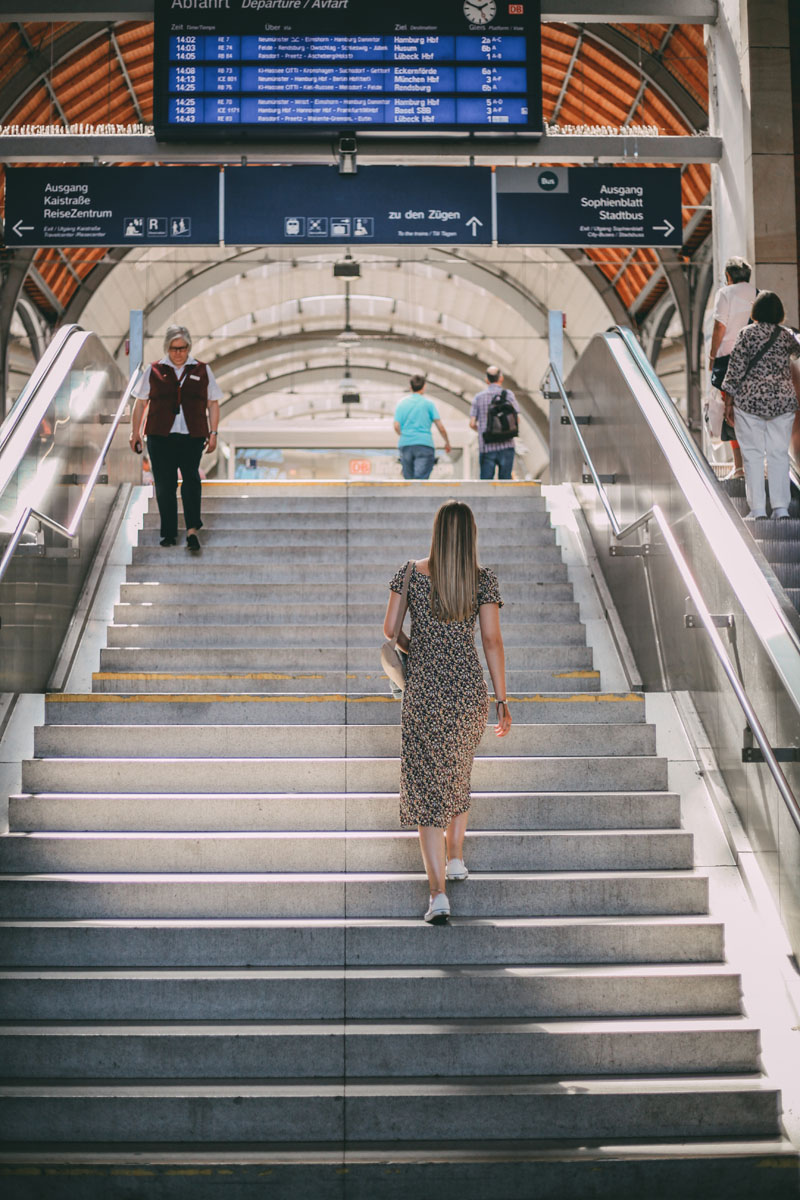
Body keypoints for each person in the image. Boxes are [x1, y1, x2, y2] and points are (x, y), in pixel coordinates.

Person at [384, 501, 512, 925]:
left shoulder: (409, 573)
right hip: (467, 691)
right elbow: (492, 641)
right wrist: (501, 700)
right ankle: (455, 856)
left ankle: (438, 894)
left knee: (426, 791)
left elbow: (389, 630)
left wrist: (412, 647)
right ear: (470, 534)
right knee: (458, 770)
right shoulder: (482, 580)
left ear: (437, 531)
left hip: (424, 691)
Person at [129, 325, 222, 551]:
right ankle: (169, 533)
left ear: (189, 347)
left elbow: (213, 403)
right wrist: (135, 432)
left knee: (191, 479)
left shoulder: (202, 370)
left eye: (182, 348)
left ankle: (192, 530)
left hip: (192, 435)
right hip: (160, 436)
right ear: (167, 348)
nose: (178, 353)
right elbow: (140, 403)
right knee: (164, 485)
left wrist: (213, 433)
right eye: (173, 348)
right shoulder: (154, 370)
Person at [721, 291, 800, 520]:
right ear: (778, 312)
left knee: (753, 456)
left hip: (750, 404)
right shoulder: (785, 336)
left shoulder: (746, 334)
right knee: (778, 455)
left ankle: (757, 510)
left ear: (755, 311)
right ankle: (781, 509)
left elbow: (734, 370)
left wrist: (728, 402)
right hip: (782, 404)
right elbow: (797, 353)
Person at [708, 257, 757, 479]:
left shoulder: (725, 293)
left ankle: (739, 467)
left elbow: (719, 326)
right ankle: (752, 463)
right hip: (752, 361)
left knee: (731, 413)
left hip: (727, 358)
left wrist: (712, 355)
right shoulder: (758, 293)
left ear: (728, 276)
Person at [393, 374, 451, 480]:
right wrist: (447, 442)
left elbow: (396, 426)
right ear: (424, 387)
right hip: (424, 444)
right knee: (421, 481)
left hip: (406, 445)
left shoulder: (401, 404)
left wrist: (405, 435)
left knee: (409, 480)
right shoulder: (429, 404)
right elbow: (440, 427)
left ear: (410, 387)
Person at [470, 366, 521, 480]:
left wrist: (483, 431)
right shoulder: (508, 395)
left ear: (486, 380)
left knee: (486, 483)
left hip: (486, 445)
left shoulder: (478, 397)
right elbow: (517, 419)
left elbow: (472, 423)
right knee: (505, 481)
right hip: (507, 444)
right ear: (501, 378)